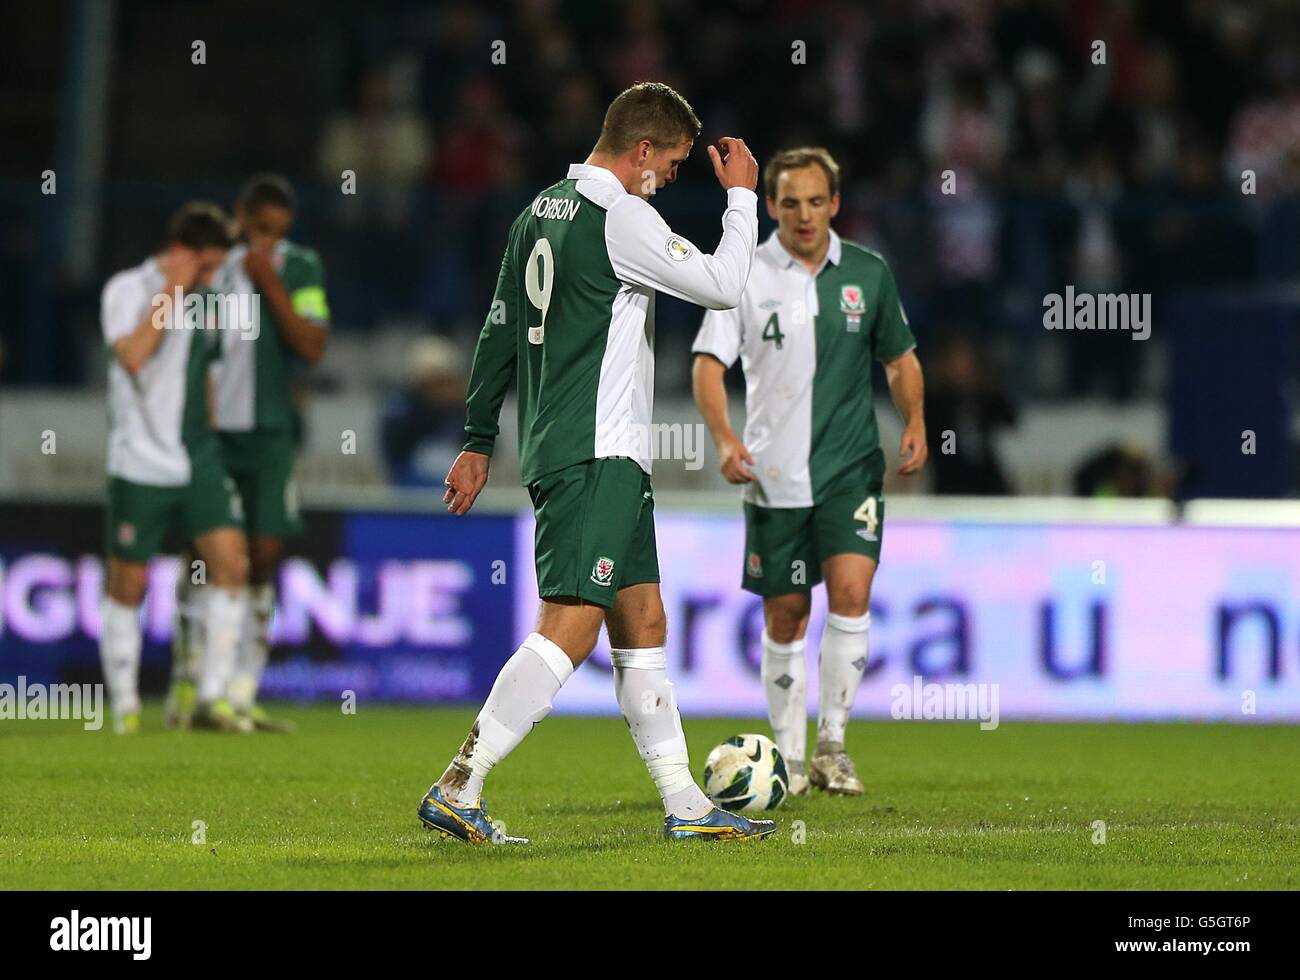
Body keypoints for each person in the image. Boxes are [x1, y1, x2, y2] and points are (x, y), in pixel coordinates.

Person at [428, 81, 774, 844]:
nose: (672, 179)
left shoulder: (537, 212)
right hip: (598, 450)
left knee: (642, 616)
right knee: (572, 627)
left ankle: (686, 805)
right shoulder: (622, 216)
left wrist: (481, 437)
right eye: (673, 165)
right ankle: (462, 782)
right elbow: (722, 287)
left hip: (571, 447)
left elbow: (496, 333)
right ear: (641, 150)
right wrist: (743, 200)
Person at [691, 148, 928, 796]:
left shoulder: (868, 273)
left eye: (815, 201)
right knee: (786, 618)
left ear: (835, 204)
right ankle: (790, 760)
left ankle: (832, 747)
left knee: (851, 596)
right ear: (769, 206)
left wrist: (915, 419)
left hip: (850, 468)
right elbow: (709, 365)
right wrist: (723, 437)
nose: (803, 214)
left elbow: (900, 360)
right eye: (790, 202)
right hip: (773, 477)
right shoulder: (741, 275)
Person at [170, 174, 329, 733]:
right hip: (210, 435)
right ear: (238, 216)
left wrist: (270, 284)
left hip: (267, 436)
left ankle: (240, 691)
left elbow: (311, 345)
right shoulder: (209, 267)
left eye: (276, 234)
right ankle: (190, 678)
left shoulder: (299, 267)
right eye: (257, 231)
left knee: (262, 557)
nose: (264, 244)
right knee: (207, 555)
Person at [99, 203, 249, 734]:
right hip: (139, 457)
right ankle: (125, 710)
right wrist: (174, 288)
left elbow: (206, 372)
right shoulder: (126, 289)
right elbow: (135, 355)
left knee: (231, 564)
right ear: (182, 255)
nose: (213, 280)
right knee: (129, 585)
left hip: (196, 456)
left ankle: (211, 699)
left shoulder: (204, 301)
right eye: (206, 267)